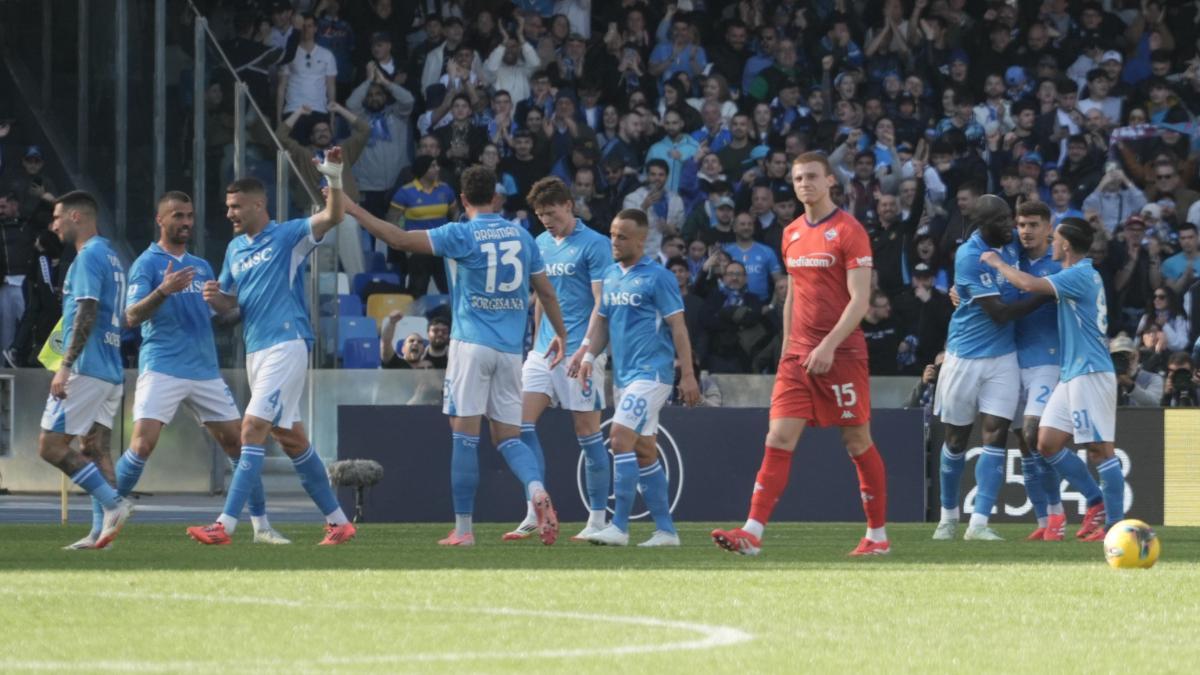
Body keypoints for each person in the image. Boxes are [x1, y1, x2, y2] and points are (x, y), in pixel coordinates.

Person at [343, 165, 570, 547]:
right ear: (496, 198)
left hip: (471, 345)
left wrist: (352, 208)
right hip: (510, 351)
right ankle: (535, 490)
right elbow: (546, 293)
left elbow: (397, 238)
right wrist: (561, 334)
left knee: (464, 438)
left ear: (462, 200)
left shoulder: (460, 233)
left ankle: (464, 530)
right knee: (510, 437)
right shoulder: (523, 236)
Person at [710, 152, 891, 557]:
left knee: (856, 440)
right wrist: (788, 350)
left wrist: (828, 345)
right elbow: (793, 294)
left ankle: (877, 537)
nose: (804, 183)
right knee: (778, 436)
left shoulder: (849, 230)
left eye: (812, 177)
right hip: (799, 357)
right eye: (797, 178)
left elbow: (861, 300)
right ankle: (752, 533)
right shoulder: (791, 232)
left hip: (841, 354)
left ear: (830, 182)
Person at [186, 151, 355, 546]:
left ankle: (225, 525)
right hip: (256, 349)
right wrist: (216, 299)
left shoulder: (288, 235)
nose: (229, 213)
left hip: (287, 341)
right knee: (290, 437)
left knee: (251, 428)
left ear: (258, 204)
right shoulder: (234, 250)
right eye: (227, 207)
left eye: (235, 206)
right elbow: (232, 305)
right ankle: (339, 522)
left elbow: (334, 217)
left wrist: (333, 177)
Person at [108, 192, 289, 549]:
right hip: (162, 366)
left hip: (205, 371)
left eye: (189, 215)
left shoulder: (202, 266)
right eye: (178, 216)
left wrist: (237, 305)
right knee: (143, 444)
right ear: (160, 220)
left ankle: (262, 527)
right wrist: (163, 290)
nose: (186, 222)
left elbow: (223, 317)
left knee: (240, 446)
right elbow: (130, 317)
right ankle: (104, 524)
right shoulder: (147, 264)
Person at [980, 217, 1125, 542]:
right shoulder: (1079, 274)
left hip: (1090, 371)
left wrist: (996, 262)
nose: (1051, 242)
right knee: (1046, 442)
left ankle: (1115, 526)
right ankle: (1096, 501)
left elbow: (1029, 285)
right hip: (1073, 371)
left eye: (1055, 238)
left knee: (1100, 449)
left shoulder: (1078, 275)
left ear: (1066, 246)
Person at [569, 208, 700, 546]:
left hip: (652, 374)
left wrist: (687, 374)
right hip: (624, 376)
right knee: (644, 451)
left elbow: (678, 327)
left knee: (618, 437)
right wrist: (587, 355)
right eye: (612, 234)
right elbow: (601, 324)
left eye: (622, 236)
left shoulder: (659, 277)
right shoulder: (611, 275)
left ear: (642, 241)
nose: (615, 241)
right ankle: (666, 531)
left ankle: (619, 527)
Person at [501, 177, 612, 542]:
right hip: (544, 351)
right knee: (518, 426)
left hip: (580, 352)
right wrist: (534, 345)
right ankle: (533, 508)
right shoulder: (539, 244)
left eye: (551, 213)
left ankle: (597, 519)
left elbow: (601, 304)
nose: (546, 220)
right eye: (540, 215)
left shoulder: (595, 245)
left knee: (587, 433)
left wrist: (588, 351)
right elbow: (541, 298)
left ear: (569, 206)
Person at [932, 196, 1042, 541]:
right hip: (964, 356)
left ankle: (978, 523)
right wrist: (1046, 293)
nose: (1011, 225)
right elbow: (999, 313)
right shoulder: (969, 256)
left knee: (995, 434)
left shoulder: (1009, 246)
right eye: (1004, 220)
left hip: (1003, 357)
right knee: (955, 440)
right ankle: (948, 518)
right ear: (985, 224)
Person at [37, 191, 134, 549]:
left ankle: (114, 505)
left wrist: (64, 367)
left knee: (50, 446)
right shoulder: (112, 256)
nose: (54, 224)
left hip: (86, 366)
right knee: (94, 449)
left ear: (77, 217)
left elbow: (87, 311)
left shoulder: (89, 257)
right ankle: (99, 534)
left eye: (58, 217)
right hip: (110, 368)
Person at [1010, 201, 1067, 541]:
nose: (1026, 231)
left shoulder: (1058, 263)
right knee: (1023, 444)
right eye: (1021, 225)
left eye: (1033, 224)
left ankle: (1059, 513)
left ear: (1049, 227)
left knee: (1035, 435)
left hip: (1048, 359)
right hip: (1011, 360)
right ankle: (1044, 521)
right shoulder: (1011, 258)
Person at [723, 212, 783, 303]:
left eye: (749, 224)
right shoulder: (726, 252)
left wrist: (771, 306)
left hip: (761, 305)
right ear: (734, 228)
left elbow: (779, 282)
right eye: (742, 224)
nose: (746, 227)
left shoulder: (767, 251)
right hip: (731, 304)